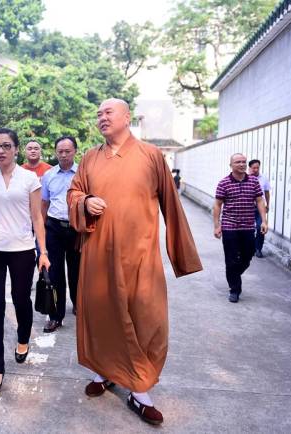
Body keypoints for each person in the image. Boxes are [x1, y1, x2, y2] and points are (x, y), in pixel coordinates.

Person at [67, 98, 202, 425]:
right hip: (99, 253)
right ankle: (107, 374)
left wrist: (181, 255)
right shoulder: (89, 158)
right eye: (98, 113)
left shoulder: (151, 156)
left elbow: (171, 204)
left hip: (140, 254)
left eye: (108, 112)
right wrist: (85, 201)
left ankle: (140, 389)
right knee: (101, 315)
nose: (101, 117)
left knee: (147, 318)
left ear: (127, 117)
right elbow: (73, 193)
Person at [0, 128, 50, 398]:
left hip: (23, 250)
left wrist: (44, 251)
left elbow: (38, 218)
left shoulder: (30, 179)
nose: (0, 150)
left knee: (20, 299)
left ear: (16, 149)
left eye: (6, 145)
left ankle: (24, 338)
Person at [214, 153, 268, 303]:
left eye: (244, 162)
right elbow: (218, 205)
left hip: (247, 226)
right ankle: (235, 289)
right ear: (231, 165)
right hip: (230, 226)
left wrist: (264, 221)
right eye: (238, 162)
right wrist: (217, 225)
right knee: (231, 259)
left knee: (248, 255)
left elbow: (259, 200)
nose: (242, 164)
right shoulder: (223, 183)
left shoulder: (253, 182)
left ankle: (233, 273)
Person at [40, 135, 80, 333]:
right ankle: (56, 316)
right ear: (56, 152)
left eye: (68, 151)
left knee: (77, 271)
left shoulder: (83, 173)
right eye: (60, 152)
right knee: (54, 274)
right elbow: (44, 204)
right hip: (54, 228)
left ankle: (78, 304)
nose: (63, 155)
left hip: (76, 229)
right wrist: (40, 229)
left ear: (75, 151)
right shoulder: (49, 175)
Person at [248, 159, 271, 258]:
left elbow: (266, 192)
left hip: (260, 207)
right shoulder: (245, 178)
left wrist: (268, 205)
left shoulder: (264, 178)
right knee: (249, 229)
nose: (256, 169)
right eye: (254, 168)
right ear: (250, 168)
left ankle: (258, 249)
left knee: (260, 227)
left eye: (257, 167)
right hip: (248, 208)